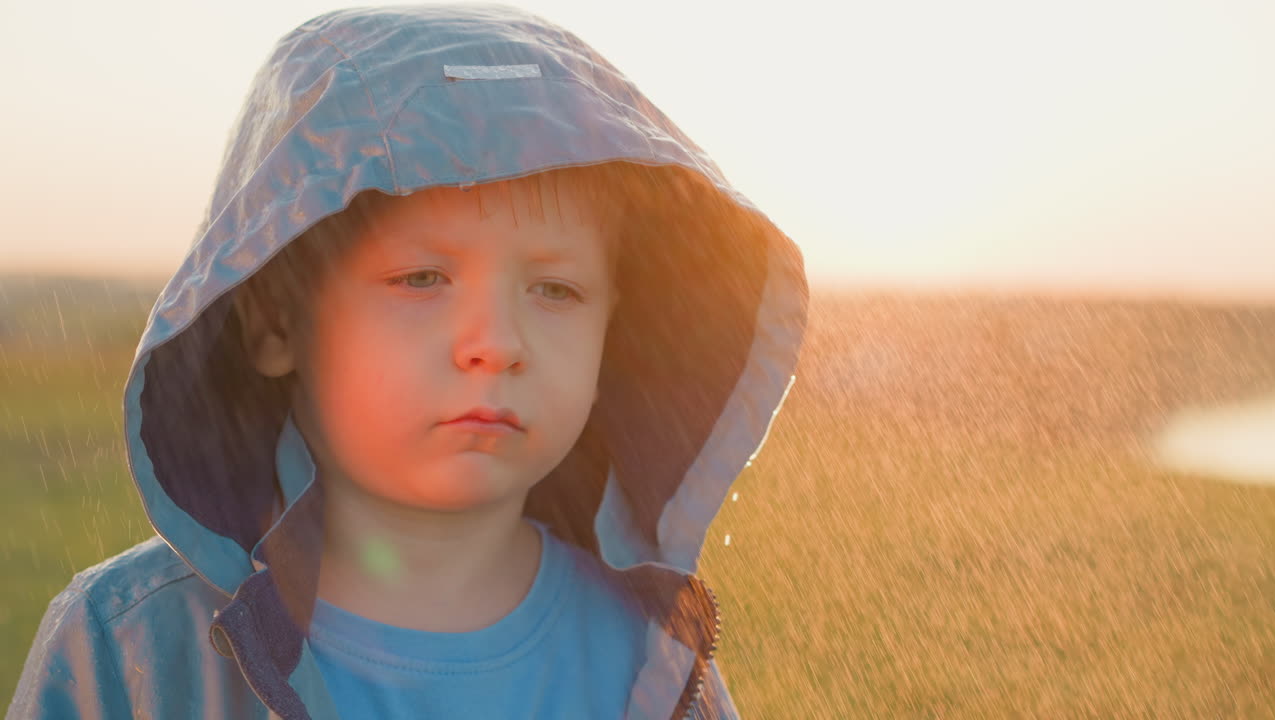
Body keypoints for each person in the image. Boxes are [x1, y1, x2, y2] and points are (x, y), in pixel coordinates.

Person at [7, 4, 808, 719]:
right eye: (421, 279)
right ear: (275, 326)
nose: (496, 343)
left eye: (556, 290)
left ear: (616, 333)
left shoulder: (653, 660)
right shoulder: (132, 645)